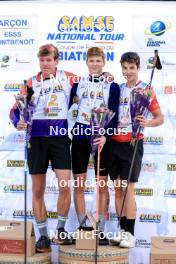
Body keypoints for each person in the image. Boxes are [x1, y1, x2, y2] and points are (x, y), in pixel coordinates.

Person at [9, 44, 77, 252]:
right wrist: (17, 123)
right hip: (36, 139)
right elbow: (15, 111)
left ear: (57, 61)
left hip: (59, 138)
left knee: (65, 186)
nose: (45, 64)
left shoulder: (70, 78)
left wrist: (107, 76)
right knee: (38, 189)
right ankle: (43, 236)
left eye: (49, 60)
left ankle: (61, 230)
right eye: (42, 60)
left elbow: (94, 84)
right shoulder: (30, 83)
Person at [109, 51, 164, 248]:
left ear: (138, 68)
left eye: (132, 68)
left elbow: (160, 118)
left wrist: (147, 122)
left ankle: (130, 234)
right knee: (117, 189)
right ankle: (121, 231)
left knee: (128, 189)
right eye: (125, 68)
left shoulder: (146, 90)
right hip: (114, 142)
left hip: (133, 142)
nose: (128, 71)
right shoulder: (119, 89)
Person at [69, 47, 120, 244]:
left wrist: (107, 135)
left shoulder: (112, 85)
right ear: (86, 62)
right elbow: (71, 108)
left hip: (101, 135)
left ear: (104, 62)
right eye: (92, 60)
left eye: (98, 61)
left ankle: (101, 229)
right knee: (79, 183)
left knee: (101, 185)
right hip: (81, 133)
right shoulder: (78, 84)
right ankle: (83, 227)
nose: (95, 64)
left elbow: (114, 113)